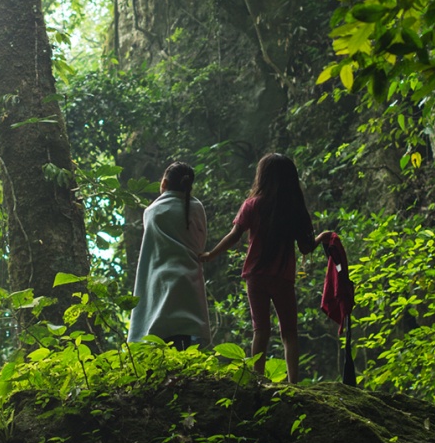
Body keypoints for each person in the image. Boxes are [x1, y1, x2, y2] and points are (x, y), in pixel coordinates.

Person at [200, 153, 329, 382]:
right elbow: (306, 247)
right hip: (282, 276)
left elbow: (234, 236)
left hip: (256, 276)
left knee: (261, 331)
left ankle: (258, 381)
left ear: (263, 176)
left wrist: (211, 254)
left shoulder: (252, 205)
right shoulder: (295, 209)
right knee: (289, 332)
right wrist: (322, 237)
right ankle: (293, 383)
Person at [127, 161, 210, 348]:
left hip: (160, 278)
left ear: (164, 183)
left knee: (161, 331)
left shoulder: (152, 211)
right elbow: (200, 242)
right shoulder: (197, 208)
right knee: (186, 333)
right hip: (189, 279)